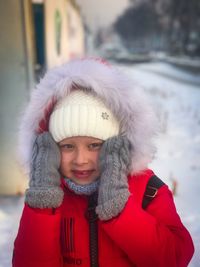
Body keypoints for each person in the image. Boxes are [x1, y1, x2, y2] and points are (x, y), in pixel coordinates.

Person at [13, 58, 194, 267]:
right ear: (50, 148)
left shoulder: (148, 190)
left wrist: (120, 208)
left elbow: (175, 258)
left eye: (94, 145)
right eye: (67, 146)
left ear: (117, 144)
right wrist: (42, 205)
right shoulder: (48, 197)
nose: (81, 160)